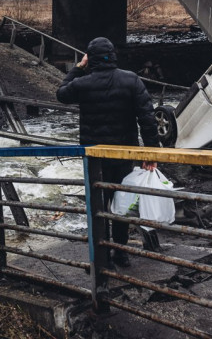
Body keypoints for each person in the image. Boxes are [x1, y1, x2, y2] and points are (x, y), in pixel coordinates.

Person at [56, 36, 159, 268]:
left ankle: (101, 257)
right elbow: (147, 118)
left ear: (89, 58)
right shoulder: (131, 80)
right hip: (124, 154)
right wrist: (151, 153)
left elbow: (61, 94)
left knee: (98, 205)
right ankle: (120, 253)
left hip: (95, 158)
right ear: (113, 56)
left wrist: (79, 68)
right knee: (121, 203)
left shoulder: (84, 83)